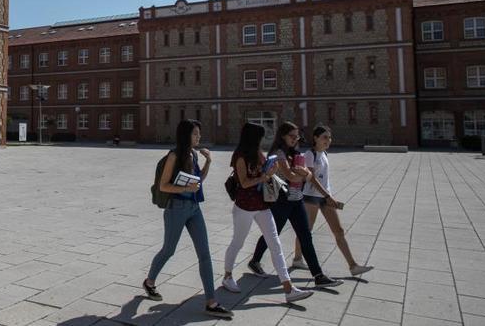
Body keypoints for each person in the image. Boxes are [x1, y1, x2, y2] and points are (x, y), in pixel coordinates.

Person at [143, 119, 233, 319]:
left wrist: (208, 161)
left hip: (193, 208)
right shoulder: (174, 155)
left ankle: (211, 301)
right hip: (176, 208)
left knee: (205, 254)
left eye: (199, 134)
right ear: (185, 135)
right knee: (169, 250)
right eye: (195, 134)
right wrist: (185, 189)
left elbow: (198, 182)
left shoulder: (193, 154)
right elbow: (163, 186)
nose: (199, 137)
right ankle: (149, 281)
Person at [222, 122, 313, 303]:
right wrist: (263, 177)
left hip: (263, 205)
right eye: (260, 137)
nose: (263, 140)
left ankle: (288, 289)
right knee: (237, 242)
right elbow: (244, 183)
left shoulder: (259, 154)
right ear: (253, 137)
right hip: (244, 207)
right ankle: (227, 276)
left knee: (275, 244)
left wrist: (272, 171)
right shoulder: (240, 156)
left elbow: (266, 174)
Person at [246, 122, 343, 287]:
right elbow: (291, 176)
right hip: (281, 201)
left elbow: (306, 175)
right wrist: (304, 175)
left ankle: (318, 275)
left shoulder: (295, 153)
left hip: (296, 200)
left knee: (306, 236)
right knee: (273, 233)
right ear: (283, 136)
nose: (295, 139)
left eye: (297, 136)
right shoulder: (279, 154)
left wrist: (304, 175)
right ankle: (255, 260)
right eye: (292, 136)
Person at [294, 125, 374, 276]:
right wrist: (327, 196)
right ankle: (297, 259)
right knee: (306, 231)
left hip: (325, 197)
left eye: (329, 137)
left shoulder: (324, 153)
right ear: (315, 138)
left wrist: (329, 195)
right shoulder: (309, 155)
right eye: (324, 137)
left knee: (339, 231)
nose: (328, 140)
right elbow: (312, 179)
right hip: (311, 197)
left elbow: (325, 180)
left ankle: (353, 266)